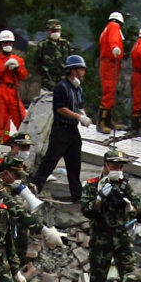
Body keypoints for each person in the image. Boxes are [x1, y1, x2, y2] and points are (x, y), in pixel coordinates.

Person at [33, 54, 90, 202]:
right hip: (61, 129)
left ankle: (77, 195)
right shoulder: (61, 87)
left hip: (73, 130)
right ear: (73, 70)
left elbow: (80, 105)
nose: (84, 73)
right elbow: (60, 109)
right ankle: (35, 186)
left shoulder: (78, 89)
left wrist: (82, 114)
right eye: (81, 69)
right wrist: (78, 117)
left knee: (74, 163)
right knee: (50, 160)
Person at [81, 149, 136, 282]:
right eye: (114, 166)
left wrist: (128, 206)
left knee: (130, 277)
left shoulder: (124, 186)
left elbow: (136, 206)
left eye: (120, 167)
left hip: (121, 236)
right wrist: (99, 199)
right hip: (101, 237)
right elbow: (86, 209)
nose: (117, 170)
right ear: (105, 165)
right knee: (97, 280)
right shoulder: (92, 185)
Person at [0, 31, 28, 146]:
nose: (7, 45)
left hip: (13, 91)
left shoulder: (18, 60)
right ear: (1, 44)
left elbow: (23, 75)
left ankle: (24, 143)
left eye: (9, 43)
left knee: (21, 117)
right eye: (5, 43)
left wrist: (18, 68)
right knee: (0, 120)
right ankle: (1, 143)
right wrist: (4, 66)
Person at [97, 11, 125, 119]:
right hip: (110, 63)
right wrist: (115, 47)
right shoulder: (114, 26)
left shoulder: (106, 29)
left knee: (110, 91)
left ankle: (108, 120)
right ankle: (103, 121)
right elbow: (113, 39)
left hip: (108, 63)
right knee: (109, 91)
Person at [33, 18, 69, 101]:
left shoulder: (66, 44)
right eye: (53, 30)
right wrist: (44, 72)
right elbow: (36, 63)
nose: (55, 32)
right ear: (48, 31)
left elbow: (70, 62)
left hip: (63, 81)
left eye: (57, 30)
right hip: (47, 82)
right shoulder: (42, 45)